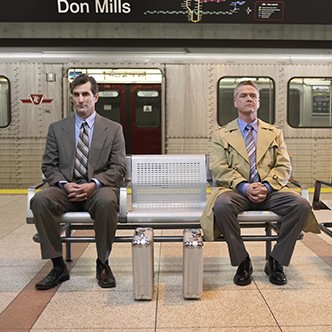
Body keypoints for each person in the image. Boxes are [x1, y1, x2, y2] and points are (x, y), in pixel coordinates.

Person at [200, 80, 320, 286]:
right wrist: (245, 186)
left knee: (300, 205)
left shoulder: (274, 133)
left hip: (271, 191)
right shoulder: (221, 135)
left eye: (253, 96)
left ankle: (276, 260)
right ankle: (242, 261)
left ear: (259, 102)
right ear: (235, 102)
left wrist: (266, 186)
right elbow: (219, 168)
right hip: (237, 192)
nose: (249, 99)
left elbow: (284, 166)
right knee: (222, 205)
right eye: (243, 96)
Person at [31, 74, 127, 290]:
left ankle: (103, 263)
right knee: (40, 201)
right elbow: (48, 166)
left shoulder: (113, 129)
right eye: (76, 94)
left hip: (98, 189)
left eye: (86, 94)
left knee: (106, 203)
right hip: (66, 189)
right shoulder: (57, 129)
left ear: (96, 97)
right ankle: (57, 266)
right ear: (72, 98)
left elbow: (119, 167)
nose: (81, 99)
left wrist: (94, 183)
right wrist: (65, 184)